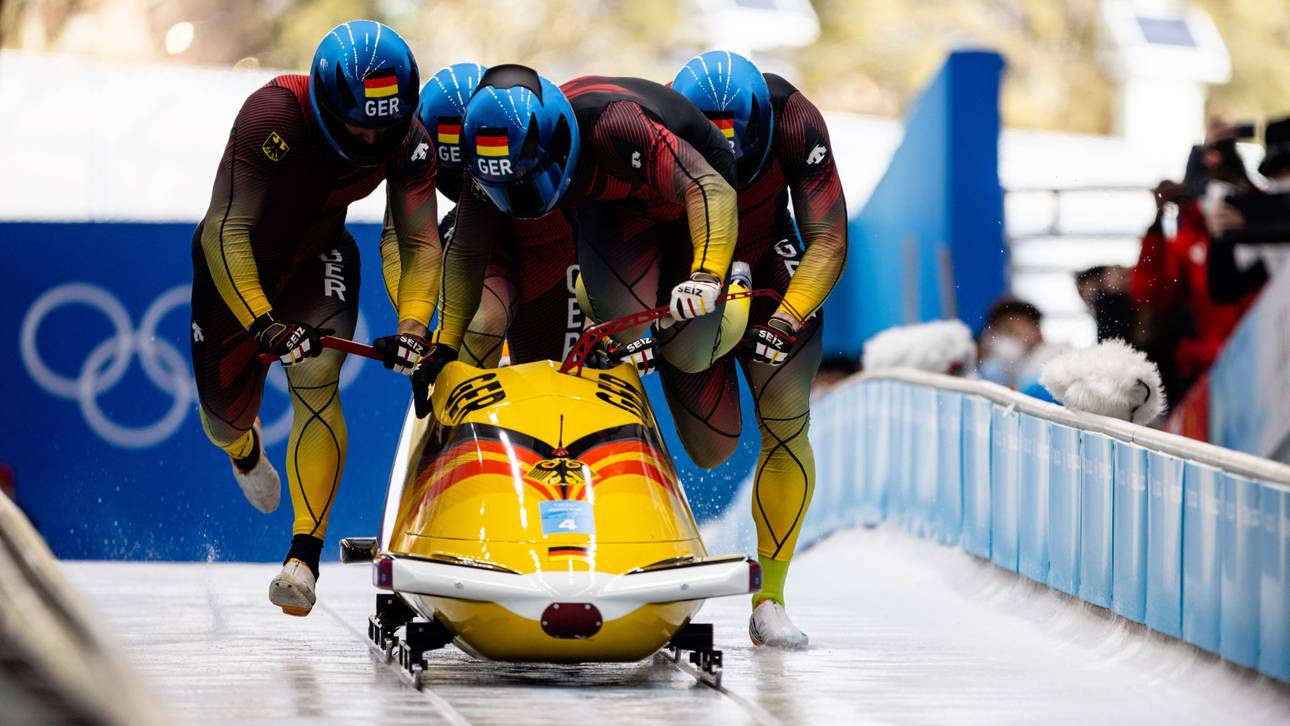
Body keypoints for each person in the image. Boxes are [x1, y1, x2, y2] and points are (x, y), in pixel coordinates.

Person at [189, 20, 439, 616]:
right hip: (236, 262)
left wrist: (412, 327)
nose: (373, 138)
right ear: (327, 101)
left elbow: (421, 244)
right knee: (223, 419)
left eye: (388, 124)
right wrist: (262, 321)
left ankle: (303, 557)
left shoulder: (408, 140)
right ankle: (244, 451)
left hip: (319, 256)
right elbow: (228, 229)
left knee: (318, 377)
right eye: (360, 123)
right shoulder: (271, 114)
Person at [663, 51, 847, 648]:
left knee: (787, 418)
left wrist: (788, 317)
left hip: (770, 263)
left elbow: (826, 237)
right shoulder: (650, 118)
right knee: (709, 446)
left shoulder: (794, 119)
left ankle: (771, 597)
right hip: (688, 270)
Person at [416, 64, 742, 389]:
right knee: (617, 324)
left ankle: (737, 281)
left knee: (690, 355)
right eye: (502, 187)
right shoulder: (482, 167)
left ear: (558, 145)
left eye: (528, 182)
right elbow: (466, 251)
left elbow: (708, 187)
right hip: (616, 200)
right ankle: (620, 328)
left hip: (694, 189)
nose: (520, 202)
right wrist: (445, 347)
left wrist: (706, 274)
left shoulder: (615, 126)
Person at [385, 63, 582, 369]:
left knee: (551, 373)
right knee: (480, 323)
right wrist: (413, 328)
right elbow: (401, 240)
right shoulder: (413, 147)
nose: (467, 179)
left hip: (549, 246)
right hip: (477, 237)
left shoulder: (533, 123)